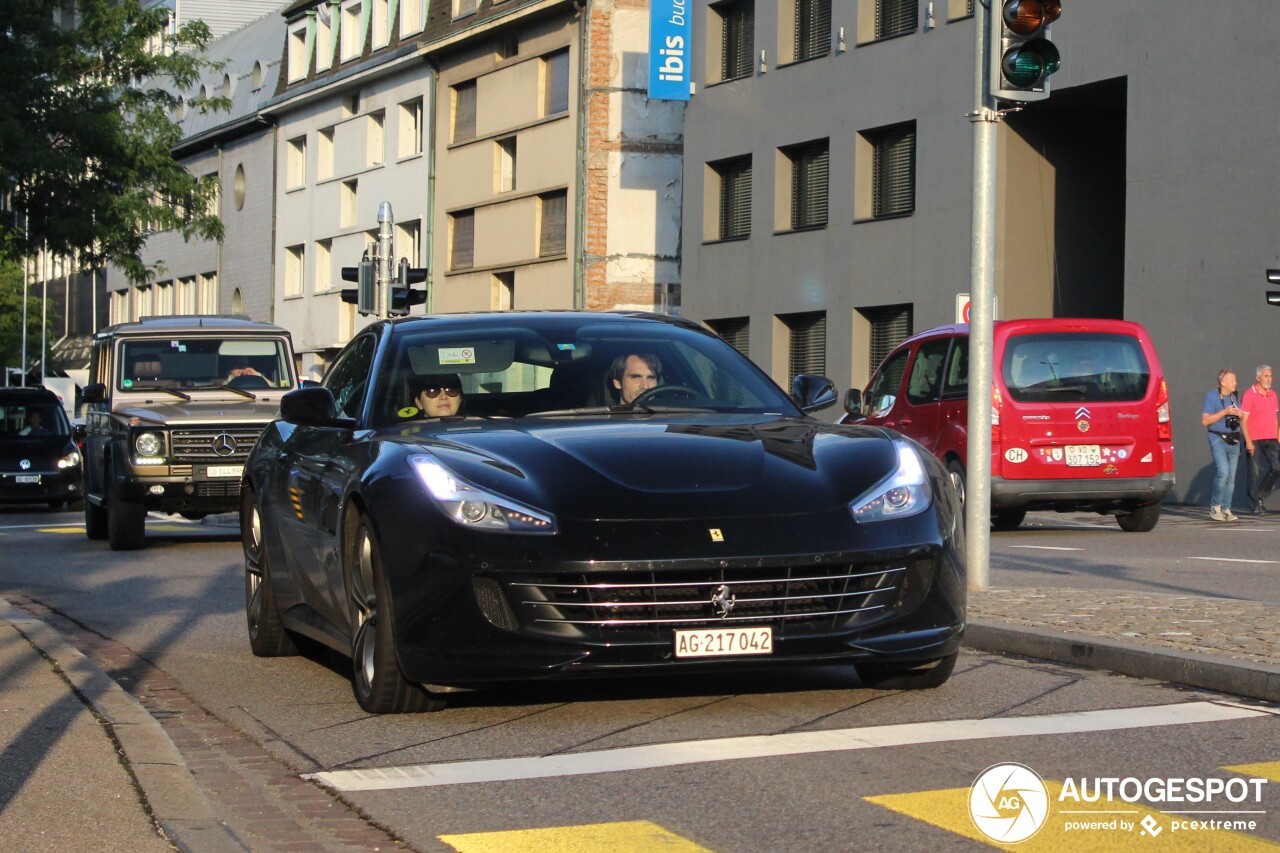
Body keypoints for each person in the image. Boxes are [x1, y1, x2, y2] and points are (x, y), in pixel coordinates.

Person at [1201, 369, 1244, 522]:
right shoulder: (1212, 396)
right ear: (1223, 382)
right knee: (1223, 472)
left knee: (1231, 477)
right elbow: (1205, 421)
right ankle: (1215, 506)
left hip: (1234, 439)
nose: (1235, 383)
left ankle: (1226, 509)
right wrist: (1225, 412)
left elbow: (1241, 419)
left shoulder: (1234, 397)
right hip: (1217, 438)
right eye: (1233, 380)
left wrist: (1239, 415)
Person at [1240, 363, 1280, 515]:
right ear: (1258, 377)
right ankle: (1255, 505)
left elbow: (1275, 418)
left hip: (1271, 438)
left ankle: (1261, 497)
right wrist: (1248, 441)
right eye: (1266, 376)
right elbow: (1243, 420)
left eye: (1270, 376)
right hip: (1255, 439)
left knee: (1277, 468)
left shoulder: (1273, 395)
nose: (1269, 379)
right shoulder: (1249, 395)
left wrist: (1278, 436)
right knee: (1254, 473)